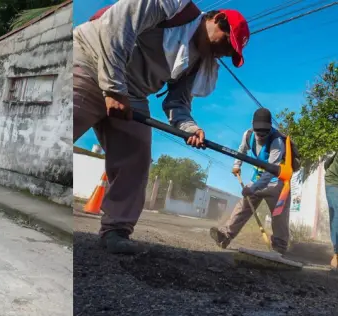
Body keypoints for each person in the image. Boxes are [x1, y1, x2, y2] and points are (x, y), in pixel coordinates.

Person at [73, 0, 250, 254]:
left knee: (136, 157)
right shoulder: (173, 7)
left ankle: (116, 229)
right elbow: (117, 24)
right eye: (226, 44)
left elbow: (177, 103)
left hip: (131, 95)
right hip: (90, 61)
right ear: (217, 19)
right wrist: (113, 87)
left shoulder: (199, 62)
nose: (223, 53)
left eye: (230, 53)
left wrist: (190, 127)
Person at [209, 108, 291, 254]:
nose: (260, 135)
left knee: (279, 216)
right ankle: (225, 236)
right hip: (258, 178)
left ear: (270, 126)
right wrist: (236, 165)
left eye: (264, 131)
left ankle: (279, 249)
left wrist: (253, 188)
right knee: (243, 206)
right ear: (252, 125)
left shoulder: (277, 141)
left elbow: (271, 170)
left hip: (277, 183)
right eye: (258, 131)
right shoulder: (248, 135)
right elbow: (241, 151)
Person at [324, 152, 338, 269]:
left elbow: (327, 162)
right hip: (333, 182)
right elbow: (327, 163)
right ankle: (336, 254)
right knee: (337, 216)